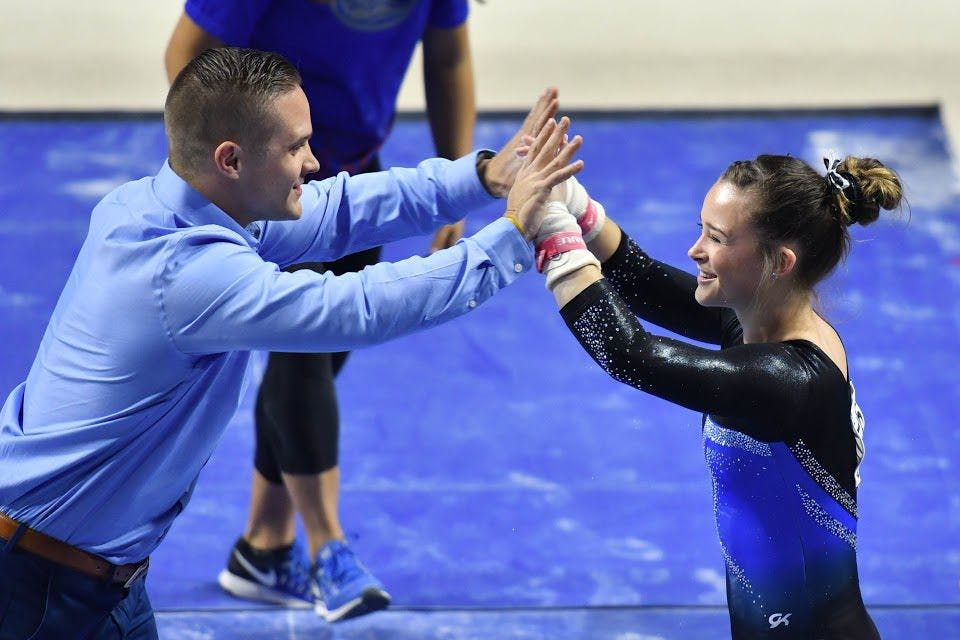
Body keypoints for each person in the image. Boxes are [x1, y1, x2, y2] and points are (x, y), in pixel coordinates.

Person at [0, 47, 582, 639]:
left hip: (89, 571)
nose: (314, 161)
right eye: (296, 146)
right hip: (43, 586)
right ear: (231, 160)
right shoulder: (190, 276)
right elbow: (359, 307)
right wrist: (512, 235)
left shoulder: (155, 203)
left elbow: (339, 209)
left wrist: (482, 176)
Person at [163, 0, 477, 619]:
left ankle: (263, 545)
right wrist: (223, 174)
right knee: (302, 348)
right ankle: (327, 546)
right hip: (269, 186)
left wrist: (457, 181)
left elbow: (449, 56)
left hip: (356, 179)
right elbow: (184, 54)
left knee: (312, 361)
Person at [529, 154, 901, 638]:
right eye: (701, 228)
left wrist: (550, 232)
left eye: (717, 238)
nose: (694, 250)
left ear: (779, 262)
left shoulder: (787, 378)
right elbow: (640, 279)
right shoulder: (758, 326)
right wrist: (567, 199)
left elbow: (629, 354)